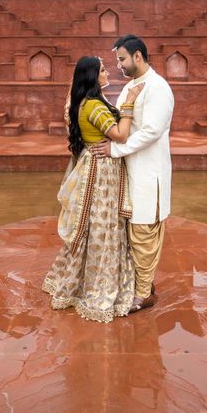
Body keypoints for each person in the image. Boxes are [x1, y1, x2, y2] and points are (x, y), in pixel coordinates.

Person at [42, 56, 144, 323]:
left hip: (94, 167)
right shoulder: (95, 106)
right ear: (91, 76)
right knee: (104, 227)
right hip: (103, 173)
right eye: (101, 69)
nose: (106, 71)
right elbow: (120, 135)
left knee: (91, 228)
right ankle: (99, 288)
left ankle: (77, 283)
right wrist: (130, 103)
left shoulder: (81, 103)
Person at [91, 35, 174, 313]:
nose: (118, 65)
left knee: (143, 232)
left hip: (149, 173)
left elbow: (150, 132)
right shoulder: (130, 87)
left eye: (122, 59)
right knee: (131, 232)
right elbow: (122, 123)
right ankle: (141, 286)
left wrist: (115, 151)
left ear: (137, 56)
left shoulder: (158, 88)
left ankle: (143, 294)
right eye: (116, 61)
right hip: (129, 172)